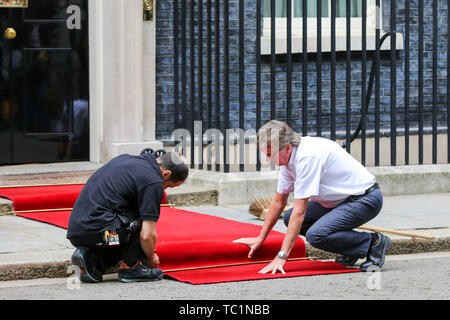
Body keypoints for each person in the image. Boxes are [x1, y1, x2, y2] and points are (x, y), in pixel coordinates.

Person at [234, 120, 390, 274]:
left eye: (269, 154)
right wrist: (260, 238)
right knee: (289, 217)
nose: (268, 159)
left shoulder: (307, 157)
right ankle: (352, 249)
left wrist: (282, 256)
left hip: (364, 199)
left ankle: (374, 242)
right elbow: (278, 202)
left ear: (287, 147)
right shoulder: (288, 159)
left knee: (316, 235)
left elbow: (300, 211)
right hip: (338, 201)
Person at [67, 151, 189, 283]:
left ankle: (89, 257)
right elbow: (147, 235)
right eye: (169, 186)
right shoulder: (153, 181)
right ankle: (133, 267)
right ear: (166, 174)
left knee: (120, 237)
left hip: (81, 233)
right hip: (104, 234)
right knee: (140, 218)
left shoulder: (127, 159)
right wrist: (149, 258)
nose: (164, 190)